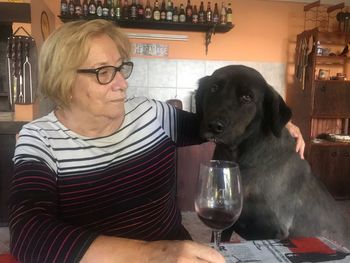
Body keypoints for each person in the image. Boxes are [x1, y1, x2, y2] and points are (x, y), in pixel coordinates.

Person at [8, 19, 304, 263]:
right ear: (63, 82)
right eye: (104, 72)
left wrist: (275, 121)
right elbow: (28, 233)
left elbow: (217, 128)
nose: (122, 83)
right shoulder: (41, 139)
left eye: (121, 68)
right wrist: (152, 253)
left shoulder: (151, 114)